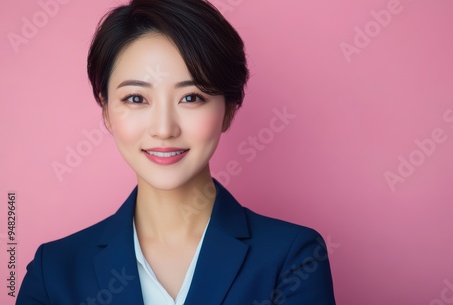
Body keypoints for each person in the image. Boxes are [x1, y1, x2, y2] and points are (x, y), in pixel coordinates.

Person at [16, 0, 336, 304]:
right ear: (106, 112)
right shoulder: (54, 272)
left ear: (228, 110)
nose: (164, 128)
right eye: (136, 99)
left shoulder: (292, 258)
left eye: (191, 98)